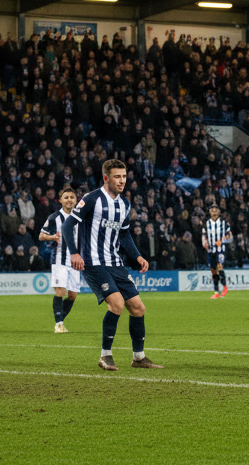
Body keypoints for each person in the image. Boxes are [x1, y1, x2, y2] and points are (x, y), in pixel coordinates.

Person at [62, 159, 164, 371]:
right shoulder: (92, 199)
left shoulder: (124, 204)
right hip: (93, 263)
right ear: (106, 178)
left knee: (138, 308)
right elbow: (68, 224)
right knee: (117, 304)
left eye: (124, 176)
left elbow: (124, 234)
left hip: (115, 263)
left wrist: (137, 257)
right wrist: (74, 253)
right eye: (117, 176)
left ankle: (139, 357)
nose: (122, 181)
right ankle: (105, 356)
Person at [38, 186, 80, 333]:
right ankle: (59, 323)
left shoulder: (80, 218)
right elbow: (41, 236)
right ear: (61, 200)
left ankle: (60, 319)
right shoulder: (54, 217)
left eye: (72, 197)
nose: (69, 200)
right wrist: (52, 237)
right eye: (66, 197)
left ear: (76, 200)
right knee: (60, 292)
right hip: (59, 260)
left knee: (73, 295)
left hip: (75, 262)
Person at [204, 205, 231, 299]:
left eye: (216, 210)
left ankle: (224, 286)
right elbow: (204, 236)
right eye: (212, 211)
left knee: (219, 266)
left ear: (219, 212)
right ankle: (216, 292)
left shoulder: (224, 223)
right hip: (211, 250)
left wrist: (222, 240)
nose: (214, 212)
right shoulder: (206, 223)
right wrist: (204, 243)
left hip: (220, 250)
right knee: (213, 271)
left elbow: (230, 237)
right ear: (209, 212)